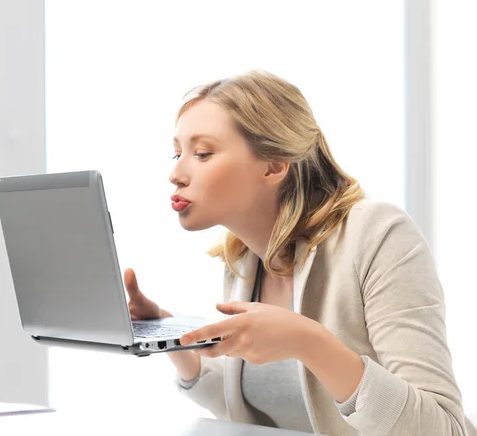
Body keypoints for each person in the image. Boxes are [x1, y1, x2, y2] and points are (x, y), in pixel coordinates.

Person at [124, 70, 477, 436]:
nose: (176, 173)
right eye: (177, 153)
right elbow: (261, 412)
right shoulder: (245, 259)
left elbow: (442, 428)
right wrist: (167, 335)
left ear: (274, 165)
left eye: (202, 153)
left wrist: (307, 342)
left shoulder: (378, 234)